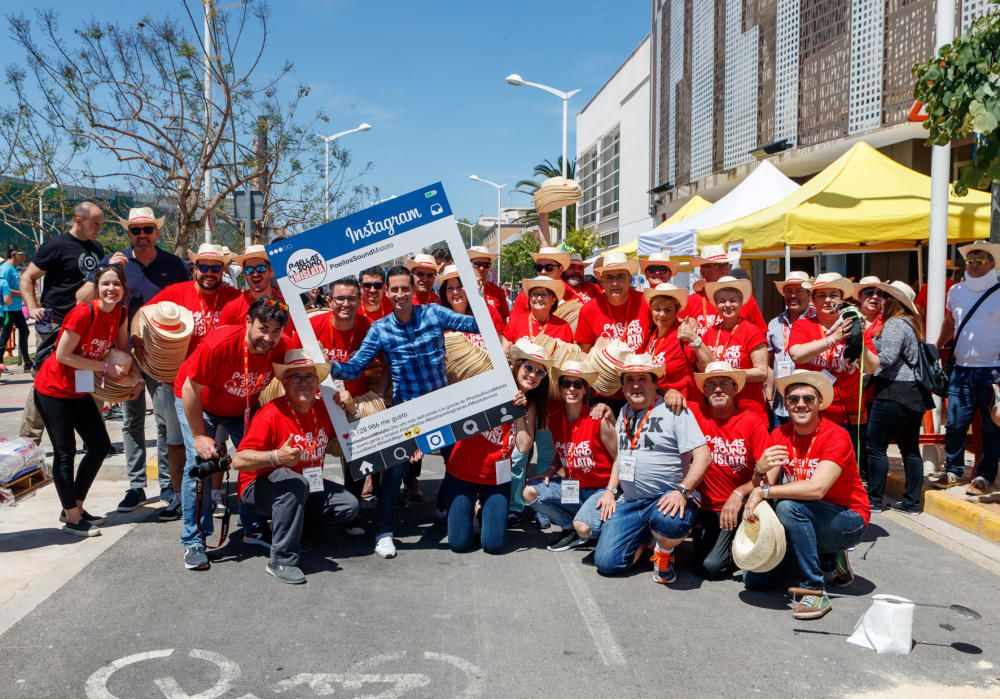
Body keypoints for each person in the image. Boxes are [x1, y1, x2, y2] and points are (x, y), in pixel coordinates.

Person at [329, 265, 479, 559]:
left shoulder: (434, 314)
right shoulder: (380, 329)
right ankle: (384, 533)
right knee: (393, 472)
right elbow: (354, 367)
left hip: (441, 408)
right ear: (387, 292)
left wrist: (481, 300)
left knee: (458, 460)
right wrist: (327, 365)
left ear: (413, 290)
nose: (400, 294)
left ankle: (445, 507)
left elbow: (477, 325)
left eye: (404, 289)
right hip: (406, 412)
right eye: (394, 289)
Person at [79, 208, 193, 516]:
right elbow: (82, 298)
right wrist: (103, 269)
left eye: (147, 230)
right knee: (130, 420)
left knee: (166, 420)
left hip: (163, 356)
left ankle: (169, 486)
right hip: (123, 355)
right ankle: (136, 485)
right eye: (135, 230)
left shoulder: (174, 265)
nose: (141, 235)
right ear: (128, 233)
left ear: (156, 232)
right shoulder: (114, 263)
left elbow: (190, 302)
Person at [743, 370, 870, 621]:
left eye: (808, 399)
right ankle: (828, 559)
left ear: (819, 402)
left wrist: (764, 491)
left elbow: (817, 489)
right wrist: (759, 471)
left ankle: (814, 587)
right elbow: (765, 483)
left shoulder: (836, 435)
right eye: (793, 399)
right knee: (755, 580)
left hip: (846, 518)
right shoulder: (780, 434)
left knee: (788, 507)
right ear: (786, 404)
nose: (801, 404)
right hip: (805, 518)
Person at [174, 296, 290, 571]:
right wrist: (200, 436)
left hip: (243, 407)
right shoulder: (220, 343)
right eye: (263, 328)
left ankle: (253, 528)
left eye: (275, 331)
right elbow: (191, 390)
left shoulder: (280, 346)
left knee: (258, 461)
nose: (269, 337)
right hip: (200, 403)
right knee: (200, 465)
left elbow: (298, 369)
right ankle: (194, 540)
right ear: (248, 322)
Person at [234, 349, 361, 584]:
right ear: (284, 383)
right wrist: (276, 457)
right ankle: (281, 560)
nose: (303, 383)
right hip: (258, 488)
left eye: (309, 377)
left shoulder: (323, 409)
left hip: (304, 487)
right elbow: (238, 460)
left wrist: (351, 410)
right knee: (294, 483)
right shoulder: (271, 413)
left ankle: (296, 530)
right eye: (296, 377)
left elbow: (353, 439)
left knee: (348, 505)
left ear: (317, 382)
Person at [33, 265, 137, 536]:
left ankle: (74, 505)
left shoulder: (121, 313)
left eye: (116, 284)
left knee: (99, 446)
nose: (111, 289)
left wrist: (132, 382)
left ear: (123, 288)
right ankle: (72, 518)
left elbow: (122, 351)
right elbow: (63, 356)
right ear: (97, 287)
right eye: (105, 284)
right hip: (53, 389)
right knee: (65, 452)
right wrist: (104, 369)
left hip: (79, 390)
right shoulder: (83, 313)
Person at [593, 354, 711, 584]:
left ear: (655, 382)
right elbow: (621, 458)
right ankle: (647, 539)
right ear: (622, 385)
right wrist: (609, 490)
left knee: (670, 523)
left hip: (665, 498)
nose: (635, 385)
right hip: (631, 501)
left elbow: (703, 456)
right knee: (607, 564)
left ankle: (664, 552)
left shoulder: (675, 408)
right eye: (629, 379)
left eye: (642, 378)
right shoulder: (624, 413)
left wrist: (682, 490)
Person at [144, 244, 242, 519]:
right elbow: (144, 318)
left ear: (223, 270)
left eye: (216, 268)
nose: (210, 273)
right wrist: (144, 349)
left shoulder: (234, 297)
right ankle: (177, 497)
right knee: (176, 443)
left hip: (218, 386)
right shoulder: (175, 294)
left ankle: (216, 494)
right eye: (204, 267)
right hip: (180, 383)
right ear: (194, 268)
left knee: (217, 444)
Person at [443, 340, 542, 554]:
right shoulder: (488, 386)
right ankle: (463, 508)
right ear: (517, 367)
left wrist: (519, 413)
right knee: (459, 545)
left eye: (540, 373)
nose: (533, 374)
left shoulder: (530, 405)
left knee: (493, 545)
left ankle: (482, 510)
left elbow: (523, 446)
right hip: (463, 473)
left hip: (497, 478)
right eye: (528, 367)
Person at [19, 202, 105, 443]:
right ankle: (28, 441)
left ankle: (94, 439)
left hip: (86, 327)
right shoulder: (55, 246)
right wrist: (33, 307)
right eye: (95, 223)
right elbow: (27, 278)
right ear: (79, 220)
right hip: (56, 326)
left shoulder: (97, 248)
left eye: (101, 224)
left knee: (88, 382)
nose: (99, 228)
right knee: (45, 382)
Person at [523, 359, 617, 551]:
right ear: (560, 388)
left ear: (585, 390)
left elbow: (620, 458)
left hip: (598, 490)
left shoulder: (597, 419)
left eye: (577, 384)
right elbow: (564, 451)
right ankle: (569, 526)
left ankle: (594, 527)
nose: (571, 389)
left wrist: (611, 492)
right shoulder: (555, 419)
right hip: (573, 487)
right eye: (566, 384)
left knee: (584, 527)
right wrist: (550, 471)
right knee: (529, 492)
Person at [688, 362, 768, 578]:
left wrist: (740, 493)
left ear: (735, 388)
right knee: (700, 564)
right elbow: (663, 401)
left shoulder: (753, 422)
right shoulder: (695, 413)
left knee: (712, 567)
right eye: (711, 384)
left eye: (724, 383)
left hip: (738, 506)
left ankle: (749, 549)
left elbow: (767, 476)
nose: (717, 389)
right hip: (703, 506)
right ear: (703, 390)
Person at [788, 272, 879, 463]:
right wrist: (831, 339)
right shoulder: (803, 326)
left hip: (848, 413)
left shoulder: (854, 326)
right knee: (813, 461)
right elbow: (796, 353)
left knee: (847, 464)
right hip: (812, 411)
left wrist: (858, 339)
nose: (828, 300)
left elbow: (872, 367)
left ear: (842, 299)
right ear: (813, 300)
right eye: (822, 295)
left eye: (833, 295)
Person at [932, 241, 1000, 494]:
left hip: (994, 370)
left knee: (992, 426)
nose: (972, 264)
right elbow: (950, 321)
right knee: (955, 424)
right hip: (961, 369)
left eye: (979, 260)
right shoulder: (956, 291)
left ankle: (985, 475)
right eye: (969, 260)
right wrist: (938, 346)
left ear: (992, 264)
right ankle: (953, 470)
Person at [866, 282, 931, 513]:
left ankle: (873, 499)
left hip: (893, 392)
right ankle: (912, 502)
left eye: (884, 295)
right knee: (910, 450)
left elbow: (886, 358)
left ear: (894, 300)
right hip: (913, 394)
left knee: (876, 447)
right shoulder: (912, 323)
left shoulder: (894, 324)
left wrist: (867, 351)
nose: (880, 298)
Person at [685, 276, 769, 414]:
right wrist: (694, 340)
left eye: (733, 300)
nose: (727, 305)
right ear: (716, 304)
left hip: (748, 409)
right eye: (722, 301)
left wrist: (728, 374)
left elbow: (761, 373)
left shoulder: (752, 331)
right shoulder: (710, 333)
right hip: (718, 411)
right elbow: (702, 368)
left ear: (741, 302)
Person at [679, 244, 767, 334]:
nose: (725, 270)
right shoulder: (688, 303)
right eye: (719, 266)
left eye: (726, 265)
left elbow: (761, 335)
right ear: (703, 271)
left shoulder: (745, 299)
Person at [575, 253, 650, 353]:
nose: (615, 283)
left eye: (620, 276)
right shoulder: (589, 310)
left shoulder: (646, 302)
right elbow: (583, 352)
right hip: (604, 368)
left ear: (630, 280)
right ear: (602, 282)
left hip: (641, 366)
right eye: (609, 278)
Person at [766, 271, 814, 428]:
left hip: (806, 402)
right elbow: (770, 362)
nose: (792, 296)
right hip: (780, 403)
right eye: (788, 291)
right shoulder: (774, 323)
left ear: (809, 294)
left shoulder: (817, 321)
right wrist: (769, 391)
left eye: (798, 291)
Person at [642, 282, 697, 411]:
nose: (662, 314)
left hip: (683, 407)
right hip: (659, 405)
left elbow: (703, 366)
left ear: (677, 311)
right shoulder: (652, 334)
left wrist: (695, 338)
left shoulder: (683, 333)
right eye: (657, 309)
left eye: (668, 310)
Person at [437, 265, 505, 349]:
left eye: (460, 286)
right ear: (445, 294)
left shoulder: (488, 313)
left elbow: (500, 347)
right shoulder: (438, 321)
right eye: (450, 288)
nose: (455, 291)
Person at [217, 245, 280, 327]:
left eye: (261, 268)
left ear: (271, 271)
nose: (255, 274)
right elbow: (218, 337)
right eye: (249, 270)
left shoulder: (286, 304)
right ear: (244, 273)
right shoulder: (232, 308)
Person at [502, 276, 573, 345]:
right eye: (535, 294)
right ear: (529, 298)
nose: (538, 298)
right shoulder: (515, 323)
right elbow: (504, 352)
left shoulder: (563, 327)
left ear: (553, 300)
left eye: (544, 294)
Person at [510, 246, 579, 315]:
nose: (543, 272)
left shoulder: (573, 298)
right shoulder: (524, 296)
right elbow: (514, 324)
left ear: (560, 269)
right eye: (539, 267)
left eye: (549, 267)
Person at [0, 246, 30, 372]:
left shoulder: (14, 268)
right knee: (5, 336)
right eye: (21, 254)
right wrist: (21, 293)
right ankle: (0, 363)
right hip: (7, 309)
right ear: (13, 254)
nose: (24, 256)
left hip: (16, 309)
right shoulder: (5, 269)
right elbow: (3, 288)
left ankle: (27, 362)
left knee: (25, 331)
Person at [468, 246, 510, 320]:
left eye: (486, 265)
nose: (482, 268)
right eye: (477, 264)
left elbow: (504, 320)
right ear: (470, 265)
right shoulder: (462, 291)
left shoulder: (499, 292)